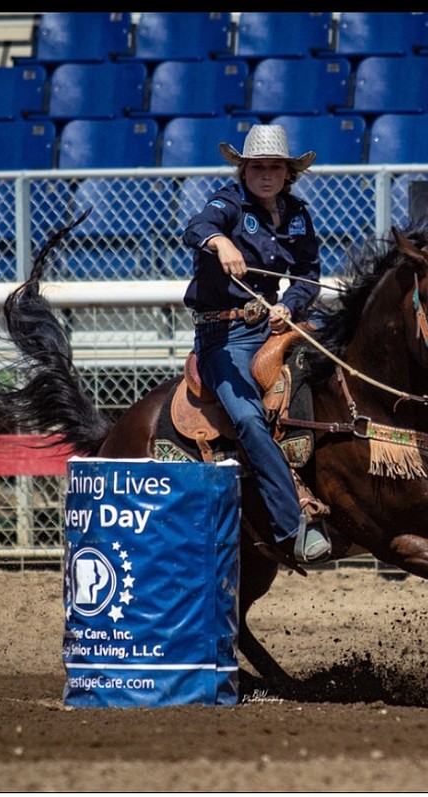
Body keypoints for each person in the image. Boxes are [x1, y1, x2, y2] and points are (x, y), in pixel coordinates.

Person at [181, 124, 330, 565]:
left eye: (275, 167)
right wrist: (220, 241)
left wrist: (289, 304)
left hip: (272, 325)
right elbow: (198, 227)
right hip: (223, 338)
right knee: (247, 417)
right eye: (258, 166)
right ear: (244, 169)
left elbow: (310, 272)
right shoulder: (226, 203)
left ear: (288, 173)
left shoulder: (299, 214)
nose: (266, 174)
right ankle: (292, 525)